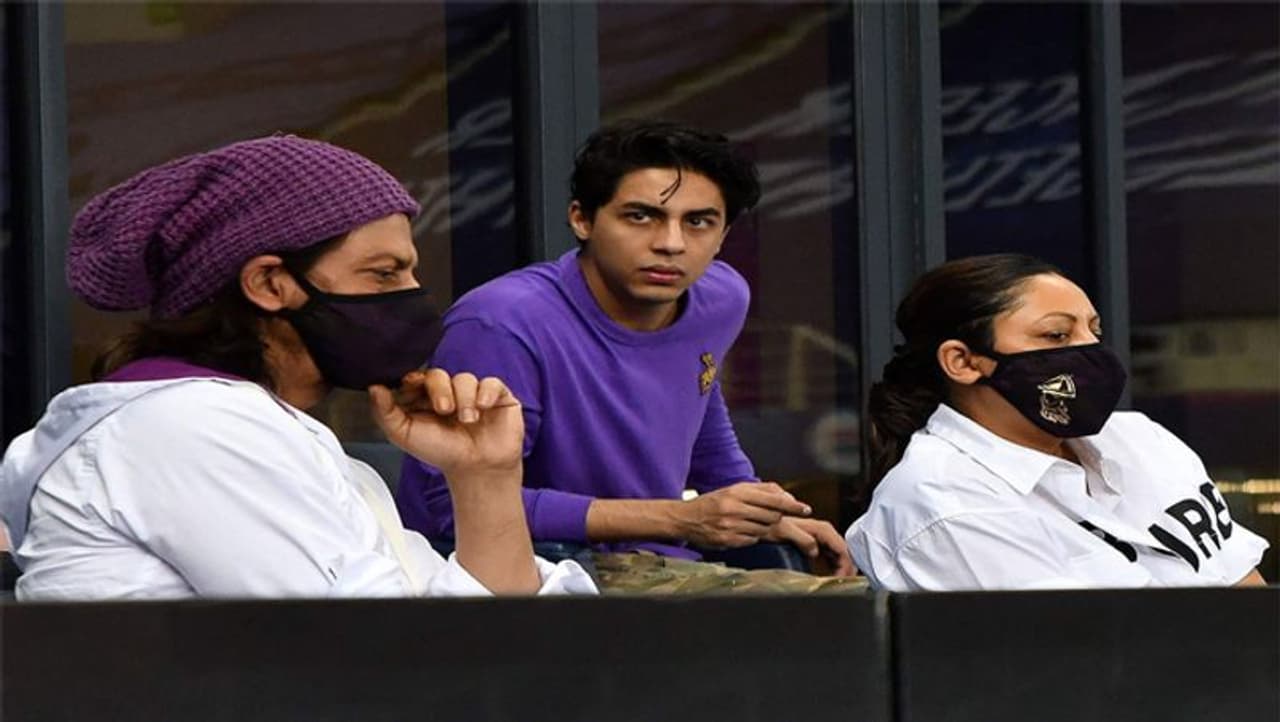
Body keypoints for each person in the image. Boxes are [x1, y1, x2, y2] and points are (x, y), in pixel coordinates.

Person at [0, 136, 595, 600]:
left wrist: (485, 476)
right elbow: (391, 659)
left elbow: (495, 645)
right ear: (269, 283)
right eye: (383, 274)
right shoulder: (195, 428)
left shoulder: (268, 435)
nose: (413, 295)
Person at [397, 120, 853, 576]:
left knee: (846, 600)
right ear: (582, 219)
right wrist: (679, 519)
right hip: (533, 575)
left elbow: (701, 412)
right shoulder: (501, 323)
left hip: (661, 567)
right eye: (640, 216)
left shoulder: (721, 298)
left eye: (698, 222)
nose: (670, 244)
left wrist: (761, 511)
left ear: (723, 236)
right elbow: (451, 507)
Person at [846, 254, 1269, 590]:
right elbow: (1089, 658)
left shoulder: (1140, 439)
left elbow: (1244, 586)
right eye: (1056, 336)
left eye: (1093, 331)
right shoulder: (941, 503)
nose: (1090, 350)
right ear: (963, 361)